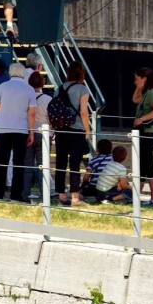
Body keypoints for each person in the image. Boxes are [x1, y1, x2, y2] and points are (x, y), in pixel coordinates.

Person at [53, 63, 93, 206]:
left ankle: (61, 195)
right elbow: (83, 111)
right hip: (76, 130)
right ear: (81, 73)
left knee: (60, 163)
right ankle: (75, 196)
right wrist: (87, 129)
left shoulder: (60, 88)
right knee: (75, 163)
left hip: (61, 129)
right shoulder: (82, 89)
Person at [0, 62, 32, 201]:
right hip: (21, 128)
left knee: (1, 162)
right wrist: (31, 131)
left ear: (10, 73)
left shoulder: (3, 86)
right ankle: (16, 194)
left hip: (4, 128)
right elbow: (31, 112)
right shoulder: (29, 89)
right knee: (19, 163)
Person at [131, 67, 153, 205]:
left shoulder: (152, 93)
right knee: (142, 167)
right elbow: (135, 99)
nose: (134, 81)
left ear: (144, 79)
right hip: (144, 133)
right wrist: (139, 87)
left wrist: (142, 119)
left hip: (148, 133)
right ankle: (136, 198)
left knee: (148, 167)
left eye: (137, 79)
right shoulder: (146, 94)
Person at [25, 72, 52, 200]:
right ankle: (45, 192)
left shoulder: (25, 98)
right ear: (43, 83)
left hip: (28, 132)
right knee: (43, 165)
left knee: (27, 165)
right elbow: (51, 119)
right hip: (43, 133)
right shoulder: (48, 99)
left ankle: (26, 191)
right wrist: (52, 132)